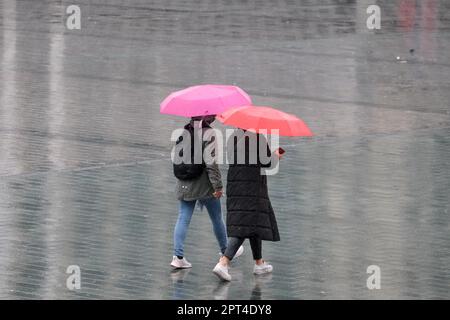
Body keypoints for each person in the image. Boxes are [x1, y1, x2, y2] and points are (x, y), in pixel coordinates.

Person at [171, 115, 243, 269]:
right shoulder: (209, 133)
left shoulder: (185, 130)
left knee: (183, 217)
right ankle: (225, 251)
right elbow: (211, 163)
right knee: (217, 217)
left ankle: (178, 256)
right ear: (208, 117)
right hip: (204, 185)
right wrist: (218, 186)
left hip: (185, 182)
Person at [213, 130, 282, 281]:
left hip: (237, 186)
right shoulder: (258, 137)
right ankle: (223, 262)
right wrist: (277, 154)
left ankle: (259, 263)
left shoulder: (233, 137)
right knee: (244, 226)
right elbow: (267, 162)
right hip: (252, 189)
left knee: (253, 224)